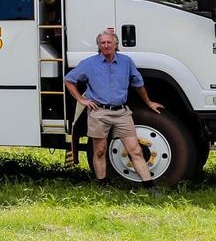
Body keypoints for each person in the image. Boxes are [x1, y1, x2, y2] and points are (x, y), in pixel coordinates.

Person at [65, 29, 165, 195]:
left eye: (109, 42)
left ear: (116, 44)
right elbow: (69, 80)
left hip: (122, 113)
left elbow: (138, 83)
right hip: (99, 113)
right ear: (98, 46)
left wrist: (148, 102)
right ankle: (102, 186)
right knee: (100, 150)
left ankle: (150, 187)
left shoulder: (126, 62)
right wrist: (81, 100)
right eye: (102, 43)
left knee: (136, 150)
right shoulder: (89, 63)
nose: (106, 45)